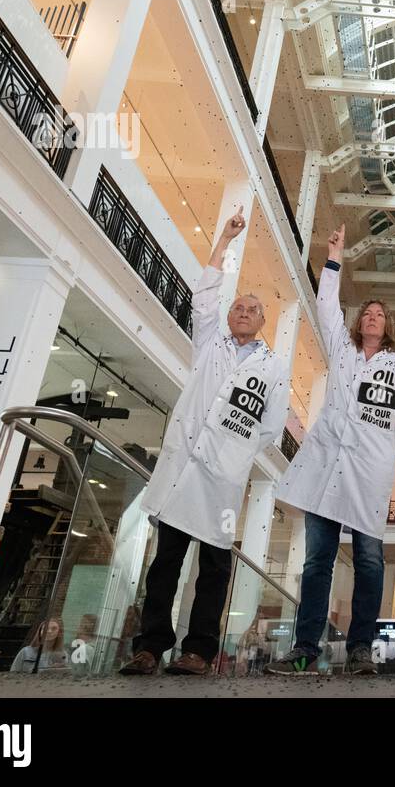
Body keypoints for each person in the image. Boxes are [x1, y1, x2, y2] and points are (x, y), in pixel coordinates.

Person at [119, 208, 291, 677]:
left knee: (214, 568)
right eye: (239, 306)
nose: (242, 312)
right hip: (183, 466)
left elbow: (270, 428)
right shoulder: (209, 341)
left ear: (262, 322)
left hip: (224, 479)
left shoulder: (273, 368)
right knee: (165, 563)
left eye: (252, 309)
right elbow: (205, 294)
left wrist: (234, 456)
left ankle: (198, 651)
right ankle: (149, 647)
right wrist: (224, 240)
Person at [268, 224, 395, 676]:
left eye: (379, 314)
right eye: (367, 313)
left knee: (370, 561)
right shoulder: (341, 348)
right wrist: (334, 256)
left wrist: (374, 448)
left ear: (388, 325)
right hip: (324, 467)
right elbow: (325, 306)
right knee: (317, 558)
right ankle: (304, 648)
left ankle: (360, 650)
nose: (372, 317)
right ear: (359, 322)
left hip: (369, 475)